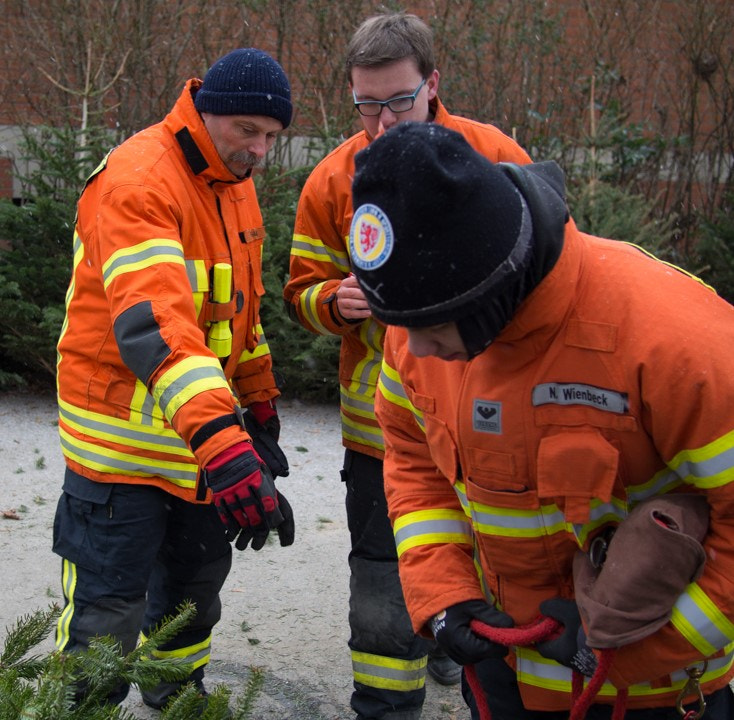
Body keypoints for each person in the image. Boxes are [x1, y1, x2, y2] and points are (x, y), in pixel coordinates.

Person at [347, 120, 734, 719]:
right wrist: (445, 597)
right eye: (400, 325)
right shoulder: (416, 323)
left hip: (650, 694)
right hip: (501, 680)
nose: (414, 350)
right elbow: (414, 462)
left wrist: (636, 649)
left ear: (493, 287)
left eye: (431, 328)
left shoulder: (676, 343)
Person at [282, 11, 531, 720]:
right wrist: (335, 301)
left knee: (490, 555)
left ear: (433, 84)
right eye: (366, 104)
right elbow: (299, 292)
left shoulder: (491, 154)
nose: (382, 121)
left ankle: (461, 650)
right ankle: (386, 704)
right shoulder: (334, 178)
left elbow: (549, 273)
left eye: (397, 100)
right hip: (382, 432)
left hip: (490, 421)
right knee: (385, 576)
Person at [53, 48, 295, 710]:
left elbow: (237, 317)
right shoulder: (139, 179)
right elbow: (157, 327)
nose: (262, 150)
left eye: (272, 136)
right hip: (121, 453)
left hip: (197, 448)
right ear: (206, 110)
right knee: (108, 611)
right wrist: (225, 443)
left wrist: (260, 410)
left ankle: (177, 698)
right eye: (249, 131)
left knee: (192, 598)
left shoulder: (234, 182)